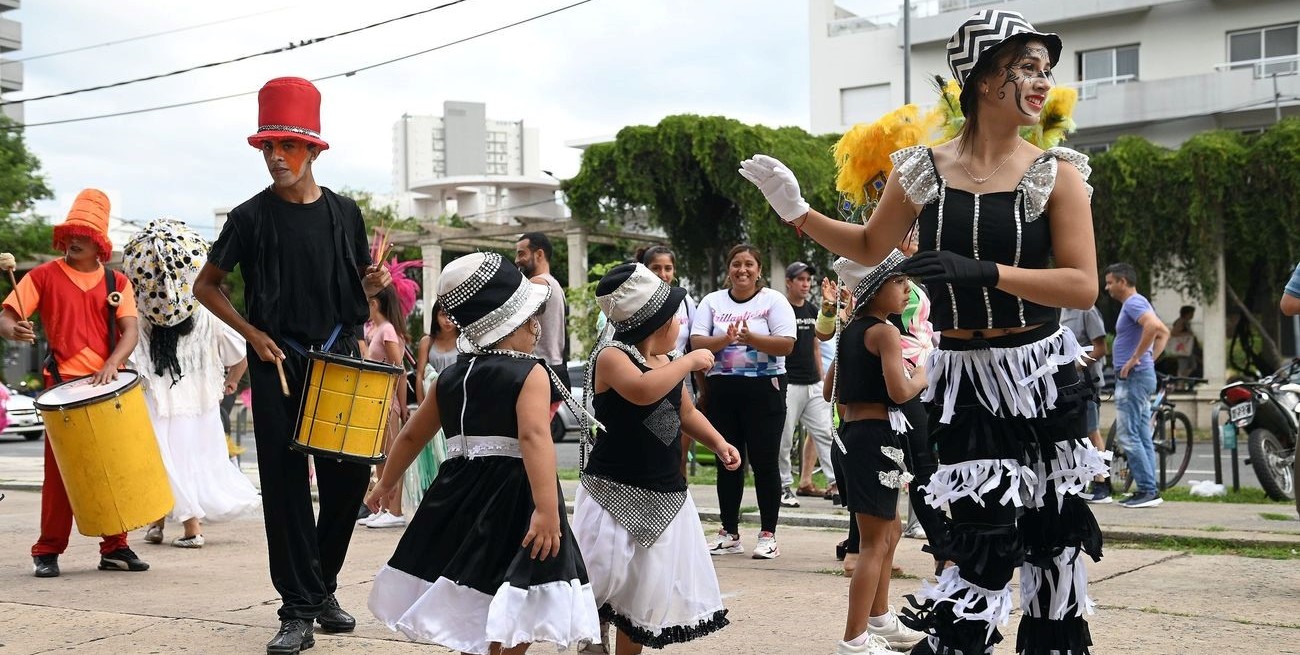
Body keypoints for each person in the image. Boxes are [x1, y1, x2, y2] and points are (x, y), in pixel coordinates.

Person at [740, 10, 1105, 653]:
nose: (1042, 82)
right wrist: (798, 214)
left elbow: (1082, 284)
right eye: (1027, 67)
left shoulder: (1056, 174)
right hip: (964, 382)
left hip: (1040, 377)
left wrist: (984, 271)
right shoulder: (922, 171)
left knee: (1052, 548)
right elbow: (868, 243)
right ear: (985, 79)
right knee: (975, 547)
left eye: (1046, 70)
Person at [193, 77, 392, 655]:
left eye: (287, 146)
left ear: (312, 150)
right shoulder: (248, 218)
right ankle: (297, 610)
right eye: (268, 148)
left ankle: (322, 588)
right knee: (284, 489)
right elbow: (207, 287)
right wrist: (252, 334)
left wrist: (372, 281)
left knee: (348, 480)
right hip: (277, 361)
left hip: (340, 361)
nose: (276, 157)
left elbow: (356, 280)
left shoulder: (345, 213)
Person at [366, 251, 601, 654]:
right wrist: (546, 510)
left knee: (473, 590)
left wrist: (386, 483)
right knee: (521, 596)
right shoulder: (531, 373)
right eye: (532, 318)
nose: (536, 326)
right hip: (516, 498)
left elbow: (408, 437)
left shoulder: (449, 377)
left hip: (459, 496)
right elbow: (533, 438)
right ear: (512, 322)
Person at [573, 262, 740, 654]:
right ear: (654, 321)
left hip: (664, 492)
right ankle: (591, 636)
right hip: (612, 492)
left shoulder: (667, 362)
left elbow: (685, 413)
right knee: (601, 576)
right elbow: (642, 390)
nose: (681, 324)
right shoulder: (612, 356)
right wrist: (689, 361)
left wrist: (718, 443)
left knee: (643, 592)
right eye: (676, 318)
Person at [0, 188, 150, 578]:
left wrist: (113, 363)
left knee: (111, 468)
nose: (72, 240)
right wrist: (12, 329)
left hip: (106, 388)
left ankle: (115, 547)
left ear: (99, 242)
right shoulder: (42, 276)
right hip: (61, 387)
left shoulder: (117, 280)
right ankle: (47, 550)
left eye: (82, 234)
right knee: (61, 474)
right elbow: (8, 315)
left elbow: (130, 330)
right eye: (69, 233)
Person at [125, 219, 261, 548]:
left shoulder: (144, 320)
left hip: (158, 403)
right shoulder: (205, 315)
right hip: (200, 405)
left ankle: (191, 528)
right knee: (190, 462)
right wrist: (229, 382)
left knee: (162, 461)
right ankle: (158, 524)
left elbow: (131, 361)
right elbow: (240, 352)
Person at [826, 250, 927, 655]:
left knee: (891, 529)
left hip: (856, 436)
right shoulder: (884, 332)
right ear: (874, 287)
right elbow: (900, 392)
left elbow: (827, 389)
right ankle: (854, 638)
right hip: (873, 438)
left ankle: (880, 618)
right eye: (899, 282)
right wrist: (921, 372)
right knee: (872, 542)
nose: (907, 290)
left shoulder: (849, 329)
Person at [691, 244, 796, 559]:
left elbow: (786, 344)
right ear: (729, 269)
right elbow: (696, 342)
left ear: (759, 270)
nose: (742, 270)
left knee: (765, 463)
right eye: (736, 264)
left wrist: (752, 339)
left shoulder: (773, 301)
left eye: (749, 264)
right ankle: (729, 532)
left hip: (765, 389)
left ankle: (768, 535)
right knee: (728, 461)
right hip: (723, 389)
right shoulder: (712, 301)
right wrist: (725, 339)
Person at [1105, 263, 1170, 509]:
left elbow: (1154, 328)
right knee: (1140, 434)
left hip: (1133, 379)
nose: (1107, 287)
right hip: (1140, 376)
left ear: (1123, 281)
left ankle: (1147, 491)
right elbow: (1164, 332)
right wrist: (1148, 360)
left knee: (1128, 435)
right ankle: (1148, 489)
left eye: (1110, 282)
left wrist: (1136, 359)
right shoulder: (1138, 303)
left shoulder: (1133, 303)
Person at [779, 261, 836, 508]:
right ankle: (783, 486)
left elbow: (816, 344)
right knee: (784, 439)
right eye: (800, 279)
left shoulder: (812, 309)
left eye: (808, 280)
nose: (805, 284)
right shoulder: (781, 308)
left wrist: (821, 377)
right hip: (789, 383)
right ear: (788, 282)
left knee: (825, 433)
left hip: (813, 383)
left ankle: (836, 484)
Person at [357, 285, 410, 529]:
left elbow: (399, 369)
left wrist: (400, 405)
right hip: (377, 400)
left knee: (391, 456)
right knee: (380, 455)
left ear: (375, 304)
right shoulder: (378, 330)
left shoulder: (387, 330)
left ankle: (395, 509)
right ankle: (383, 507)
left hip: (388, 402)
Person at [1061, 305, 1112, 503]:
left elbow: (1100, 348)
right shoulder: (1064, 311)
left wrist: (1075, 368)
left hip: (1086, 383)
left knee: (1091, 431)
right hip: (1070, 385)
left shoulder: (1087, 311)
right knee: (1075, 435)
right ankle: (1083, 481)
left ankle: (1102, 483)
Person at [516, 232, 570, 413]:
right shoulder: (554, 285)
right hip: (554, 371)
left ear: (539, 254)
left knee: (531, 436)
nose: (517, 260)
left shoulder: (537, 284)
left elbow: (512, 321)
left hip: (540, 372)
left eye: (521, 253)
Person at [1168, 305, 1199, 379]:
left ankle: (1183, 379)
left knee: (1192, 365)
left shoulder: (1186, 322)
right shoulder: (1180, 322)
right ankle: (1180, 382)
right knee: (1183, 365)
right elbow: (1174, 333)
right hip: (1182, 348)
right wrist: (1187, 334)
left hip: (1187, 349)